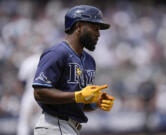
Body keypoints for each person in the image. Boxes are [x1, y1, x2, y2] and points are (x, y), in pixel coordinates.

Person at [32, 5, 115, 135]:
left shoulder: (89, 61)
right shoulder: (57, 53)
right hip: (54, 125)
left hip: (71, 127)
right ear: (79, 26)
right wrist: (78, 95)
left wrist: (95, 103)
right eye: (95, 28)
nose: (99, 34)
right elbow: (39, 93)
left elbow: (78, 102)